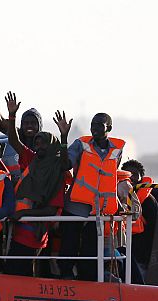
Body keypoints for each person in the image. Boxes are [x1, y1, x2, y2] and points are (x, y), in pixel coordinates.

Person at [3, 95, 72, 277]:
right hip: (18, 227)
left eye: (44, 143)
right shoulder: (32, 159)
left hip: (34, 231)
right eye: (37, 143)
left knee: (22, 272)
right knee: (14, 270)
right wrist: (12, 116)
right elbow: (13, 141)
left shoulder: (57, 171)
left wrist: (64, 136)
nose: (39, 146)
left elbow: (50, 210)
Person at [58, 112, 125, 281]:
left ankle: (88, 279)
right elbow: (65, 165)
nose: (94, 128)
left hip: (99, 210)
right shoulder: (81, 144)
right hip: (76, 205)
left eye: (99, 125)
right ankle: (66, 275)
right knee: (69, 244)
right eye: (92, 124)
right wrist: (64, 138)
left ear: (108, 128)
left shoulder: (117, 151)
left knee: (92, 249)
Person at [121, 159, 158, 285]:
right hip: (122, 250)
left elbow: (155, 230)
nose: (131, 177)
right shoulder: (117, 197)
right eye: (128, 174)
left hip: (141, 254)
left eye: (135, 174)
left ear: (141, 177)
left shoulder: (148, 202)